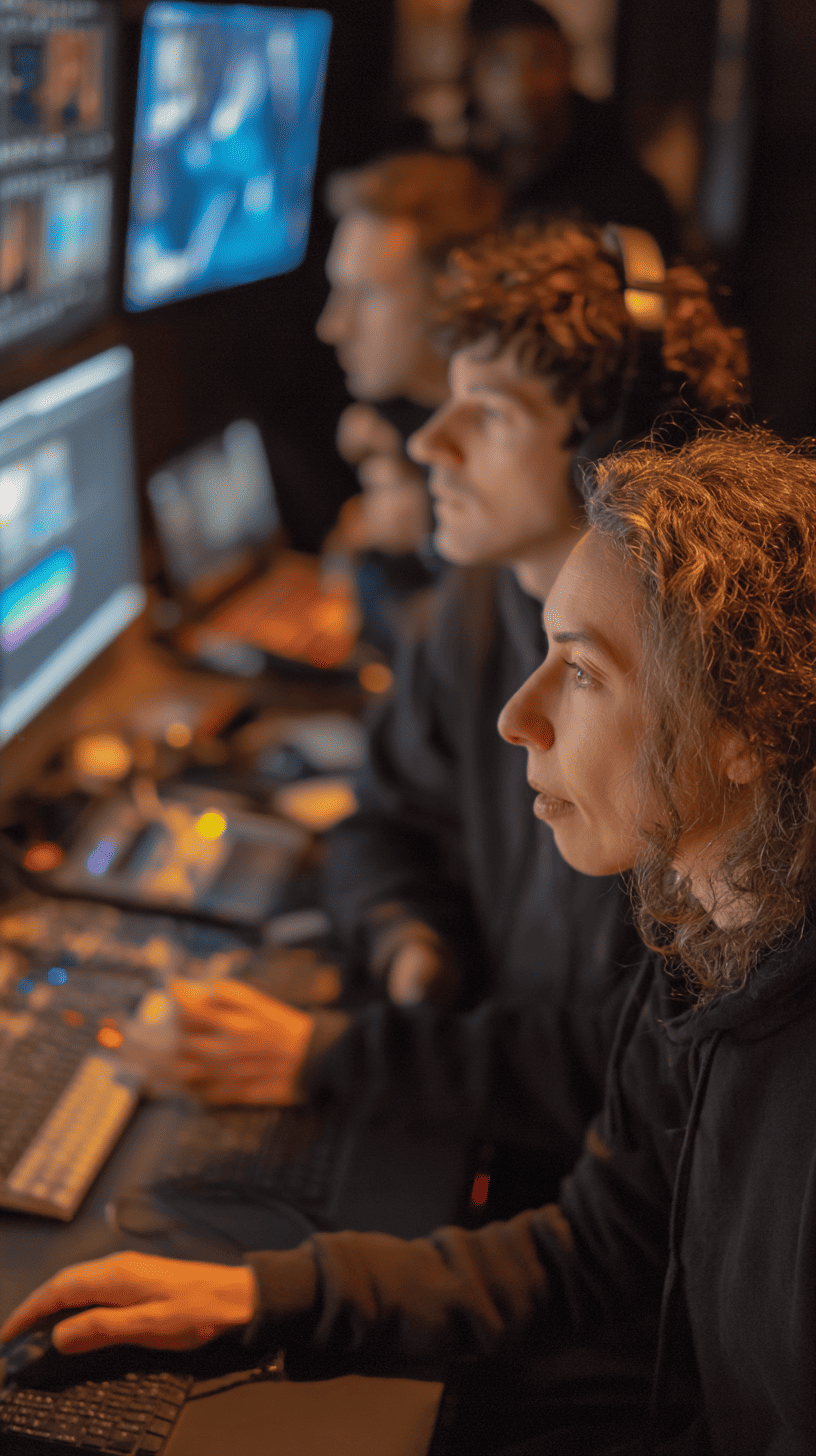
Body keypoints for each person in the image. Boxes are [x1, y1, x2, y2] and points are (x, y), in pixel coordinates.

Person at [8, 428, 816, 1456]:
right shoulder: (708, 941)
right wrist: (265, 1296)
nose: (518, 718)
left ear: (745, 732)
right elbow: (600, 1246)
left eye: (583, 673)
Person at [159, 222, 746, 1223]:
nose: (431, 440)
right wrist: (408, 939)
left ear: (615, 449)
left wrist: (331, 1053)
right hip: (486, 1123)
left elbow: (622, 1060)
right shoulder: (471, 611)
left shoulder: (688, 704)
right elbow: (386, 821)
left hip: (599, 1215)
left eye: (491, 412)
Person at [315, 151, 505, 654]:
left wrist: (427, 537)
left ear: (453, 296)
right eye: (337, 291)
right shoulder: (401, 424)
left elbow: (466, 687)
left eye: (369, 295)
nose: (333, 325)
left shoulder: (519, 469)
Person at [465, 0, 679, 260]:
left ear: (569, 66)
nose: (522, 86)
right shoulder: (460, 180)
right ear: (473, 78)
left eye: (540, 60)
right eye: (499, 66)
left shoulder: (628, 195)